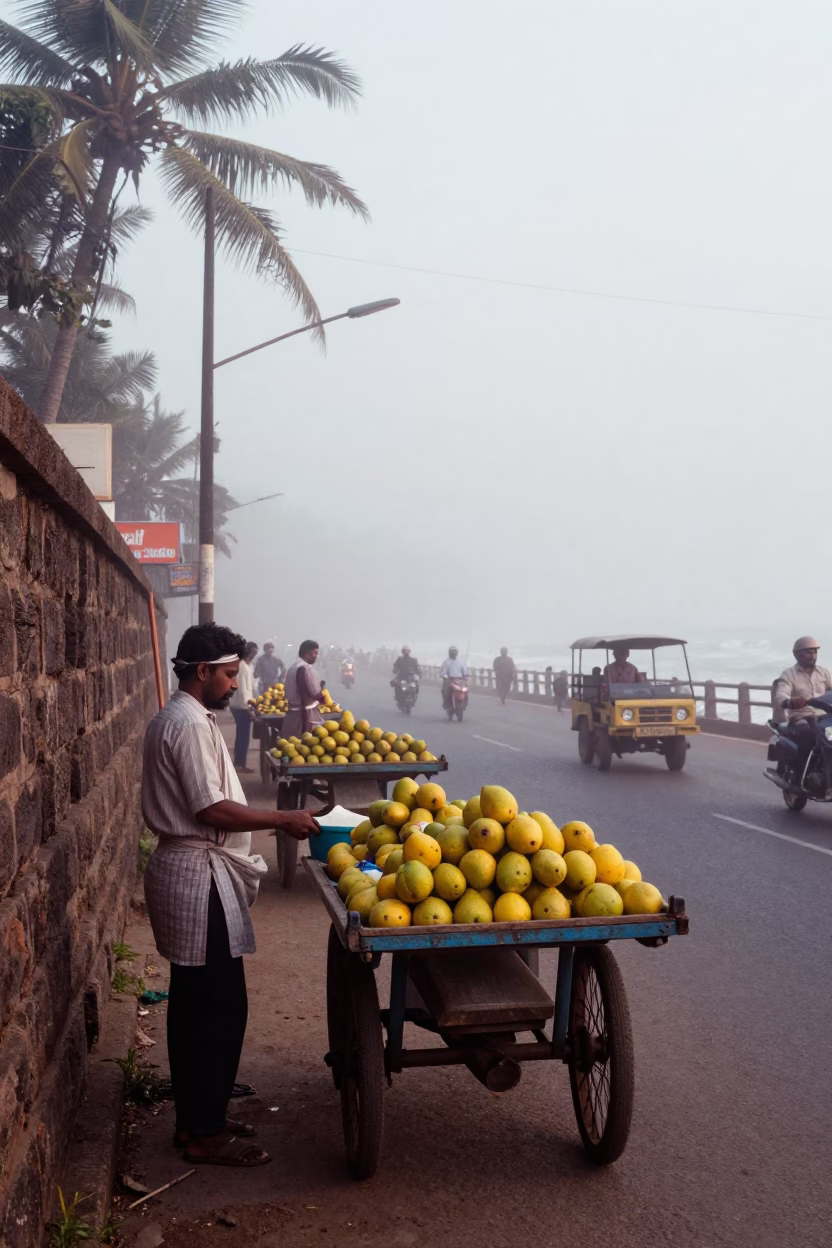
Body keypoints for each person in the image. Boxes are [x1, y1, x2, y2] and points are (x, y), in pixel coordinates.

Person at [141, 622, 318, 1168]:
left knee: (197, 1003)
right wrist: (280, 818)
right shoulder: (188, 725)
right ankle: (204, 1133)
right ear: (202, 672)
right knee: (218, 1006)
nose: (235, 684)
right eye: (229, 675)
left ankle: (200, 1117)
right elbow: (210, 809)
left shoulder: (187, 718)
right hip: (199, 876)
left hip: (198, 872)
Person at [772, 636, 832, 771]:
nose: (813, 655)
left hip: (824, 717)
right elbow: (781, 694)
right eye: (808, 652)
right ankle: (799, 777)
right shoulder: (789, 674)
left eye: (815, 652)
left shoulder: (824, 672)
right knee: (809, 736)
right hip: (801, 718)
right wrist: (790, 702)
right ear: (797, 654)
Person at [281, 640, 324, 739]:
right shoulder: (305, 669)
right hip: (304, 716)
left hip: (291, 714)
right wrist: (321, 692)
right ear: (307, 653)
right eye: (315, 653)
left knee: (290, 746)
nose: (316, 656)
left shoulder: (292, 667)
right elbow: (314, 693)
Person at [229, 642, 257, 773]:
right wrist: (248, 708)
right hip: (240, 705)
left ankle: (239, 762)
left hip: (244, 704)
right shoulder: (241, 666)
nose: (253, 656)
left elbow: (251, 687)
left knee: (243, 734)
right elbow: (241, 689)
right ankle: (240, 763)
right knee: (243, 735)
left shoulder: (247, 666)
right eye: (252, 653)